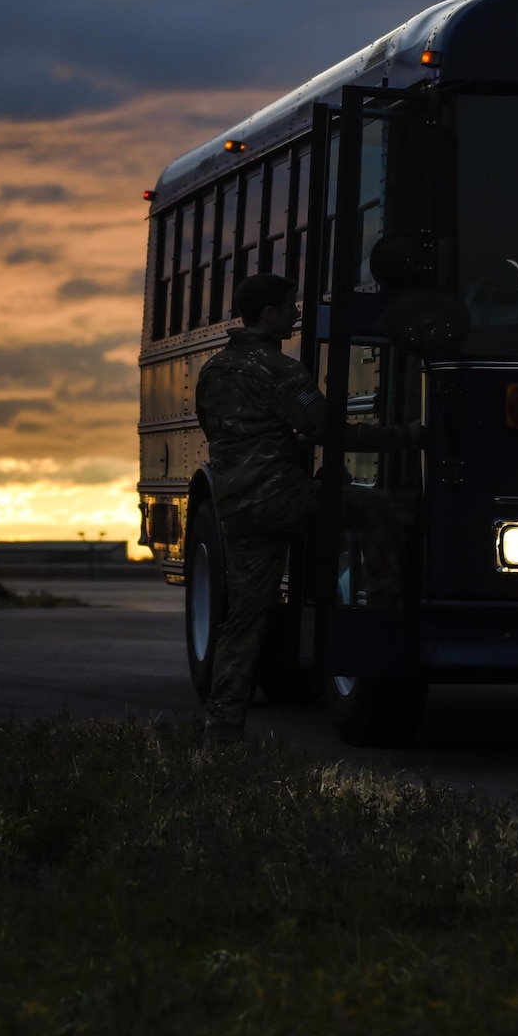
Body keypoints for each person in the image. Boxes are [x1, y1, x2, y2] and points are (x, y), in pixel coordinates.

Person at [193, 272, 417, 742]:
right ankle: (380, 620)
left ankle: (222, 726)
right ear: (268, 313)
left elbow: (223, 430)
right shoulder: (282, 370)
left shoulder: (213, 370)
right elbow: (327, 429)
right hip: (281, 496)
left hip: (236, 505)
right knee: (376, 511)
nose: (297, 313)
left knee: (245, 615)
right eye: (290, 305)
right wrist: (408, 437)